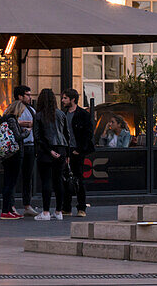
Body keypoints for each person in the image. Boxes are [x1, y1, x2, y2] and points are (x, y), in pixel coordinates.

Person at [32, 88, 70, 221]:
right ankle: (59, 211)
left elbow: (38, 137)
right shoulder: (61, 114)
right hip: (61, 149)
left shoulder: (39, 116)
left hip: (46, 151)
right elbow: (67, 135)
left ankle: (46, 212)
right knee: (58, 180)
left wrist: (49, 151)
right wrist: (67, 153)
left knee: (46, 181)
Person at [59, 88, 92, 218]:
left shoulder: (82, 114)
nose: (63, 100)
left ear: (72, 99)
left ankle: (81, 207)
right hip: (66, 151)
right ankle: (66, 207)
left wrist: (79, 149)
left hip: (77, 151)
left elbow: (88, 133)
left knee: (78, 179)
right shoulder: (63, 114)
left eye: (65, 98)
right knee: (66, 179)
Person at [0, 101, 28, 220]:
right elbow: (17, 137)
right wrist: (26, 133)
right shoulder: (12, 120)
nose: (23, 112)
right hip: (13, 155)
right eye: (22, 110)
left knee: (9, 182)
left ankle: (9, 209)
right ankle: (6, 210)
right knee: (10, 183)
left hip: (7, 155)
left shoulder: (5, 120)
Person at [12, 85, 38, 217]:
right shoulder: (14, 108)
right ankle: (11, 205)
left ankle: (27, 204)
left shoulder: (31, 109)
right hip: (18, 145)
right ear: (20, 96)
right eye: (27, 95)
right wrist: (27, 124)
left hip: (31, 145)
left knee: (28, 177)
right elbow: (11, 122)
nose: (30, 97)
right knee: (15, 177)